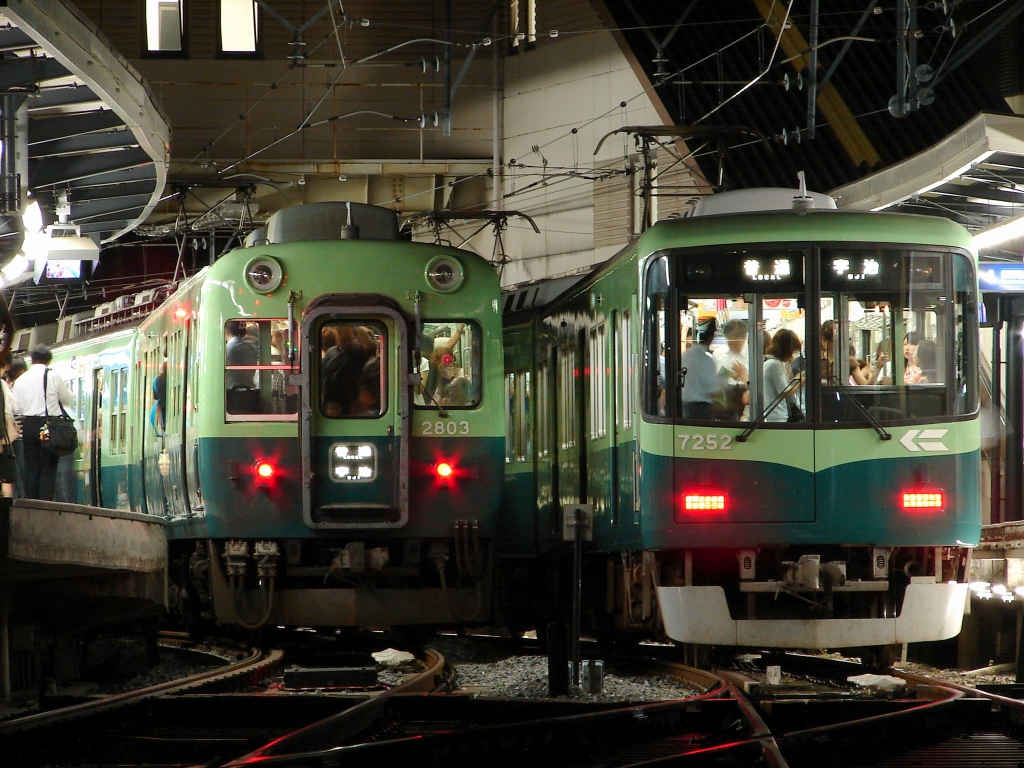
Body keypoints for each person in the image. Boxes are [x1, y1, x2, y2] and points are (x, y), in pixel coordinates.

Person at [12, 345, 73, 500]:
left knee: (31, 467)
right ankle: (46, 504)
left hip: (28, 425)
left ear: (32, 360)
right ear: (48, 360)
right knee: (48, 467)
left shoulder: (20, 380)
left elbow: (16, 408)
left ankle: (32, 503)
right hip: (48, 426)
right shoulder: (53, 376)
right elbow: (67, 400)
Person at [678, 318, 721, 420]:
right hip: (700, 410)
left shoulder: (686, 356)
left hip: (684, 406)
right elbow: (713, 390)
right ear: (711, 337)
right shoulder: (705, 359)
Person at [763, 329, 802, 423]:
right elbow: (785, 392)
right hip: (778, 416)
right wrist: (800, 380)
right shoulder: (775, 365)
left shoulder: (769, 363)